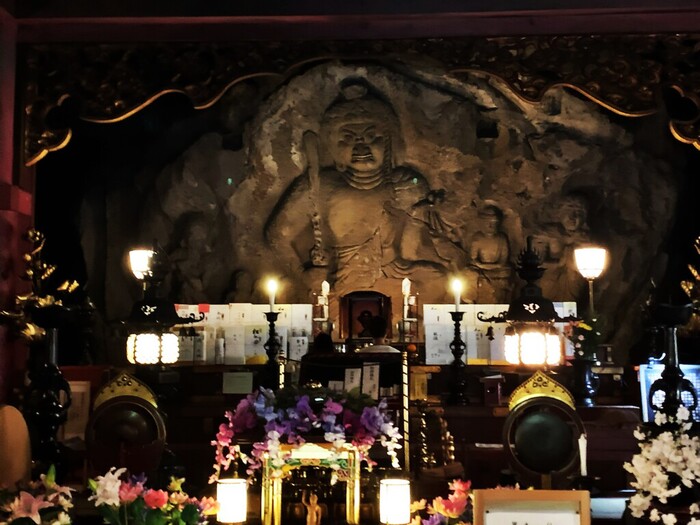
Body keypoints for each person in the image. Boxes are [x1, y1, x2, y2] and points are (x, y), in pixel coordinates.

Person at [264, 79, 464, 298]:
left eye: (371, 137)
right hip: (338, 277)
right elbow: (278, 235)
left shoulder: (406, 184)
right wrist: (303, 274)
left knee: (438, 280)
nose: (361, 146)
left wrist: (436, 210)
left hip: (394, 271)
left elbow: (418, 245)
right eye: (348, 138)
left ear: (388, 142)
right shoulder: (321, 185)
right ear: (333, 146)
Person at [468, 205, 512, 303]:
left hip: (498, 270)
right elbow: (473, 259)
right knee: (469, 273)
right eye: (488, 223)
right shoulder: (477, 237)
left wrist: (492, 266)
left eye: (494, 223)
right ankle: (470, 299)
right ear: (482, 223)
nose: (491, 226)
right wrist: (482, 266)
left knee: (507, 272)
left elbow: (503, 261)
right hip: (480, 269)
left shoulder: (502, 238)